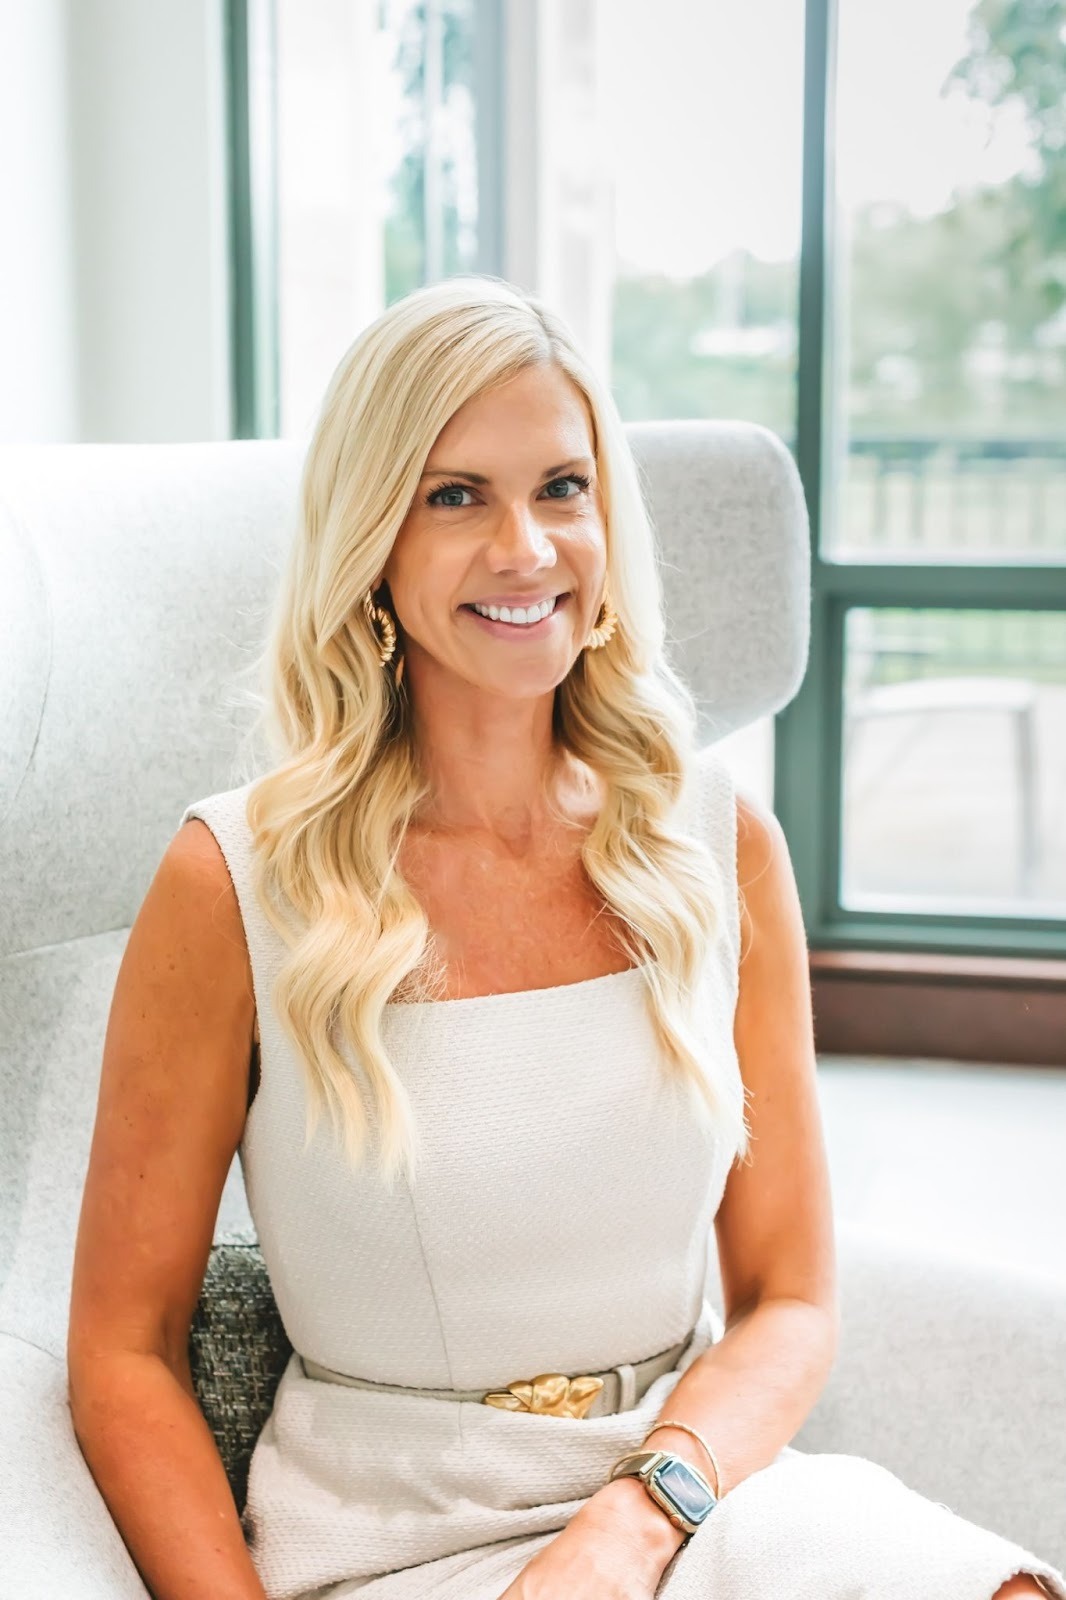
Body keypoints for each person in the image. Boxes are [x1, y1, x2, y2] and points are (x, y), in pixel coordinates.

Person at [68, 276, 1066, 1600]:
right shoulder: (233, 883)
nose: (528, 548)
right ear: (371, 537)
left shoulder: (718, 848)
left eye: (561, 487)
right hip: (398, 1540)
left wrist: (631, 1523)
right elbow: (122, 1349)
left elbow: (790, 1301)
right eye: (455, 495)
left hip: (692, 1501)